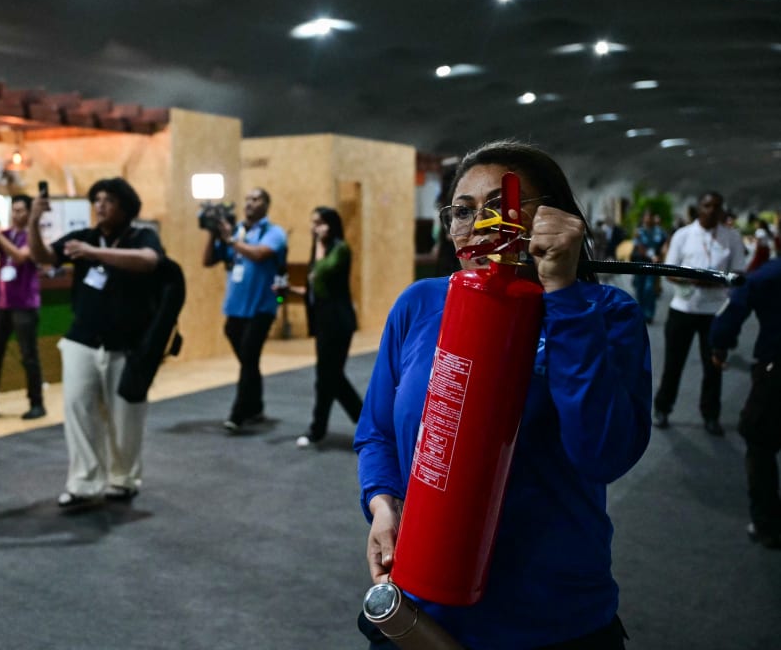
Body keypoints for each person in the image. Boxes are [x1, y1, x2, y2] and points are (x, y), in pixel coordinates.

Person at [355, 140, 651, 649]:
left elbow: (603, 453)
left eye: (501, 207)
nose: (480, 225)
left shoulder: (604, 314)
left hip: (552, 613)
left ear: (554, 218)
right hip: (423, 604)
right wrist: (383, 505)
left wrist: (563, 296)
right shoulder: (420, 303)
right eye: (463, 211)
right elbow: (377, 432)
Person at [28, 177, 162, 508]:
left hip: (127, 344)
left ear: (126, 207)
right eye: (97, 199)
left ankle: (123, 478)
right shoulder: (82, 238)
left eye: (109, 200)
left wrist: (93, 253)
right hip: (82, 340)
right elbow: (43, 257)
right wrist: (33, 220)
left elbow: (149, 260)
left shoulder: (141, 236)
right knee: (79, 409)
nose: (101, 205)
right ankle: (84, 483)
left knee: (125, 416)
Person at [652, 191, 746, 435]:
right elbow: (668, 271)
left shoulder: (732, 237)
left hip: (715, 312)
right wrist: (698, 281)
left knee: (713, 367)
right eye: (707, 206)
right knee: (673, 364)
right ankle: (662, 408)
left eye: (717, 206)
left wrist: (717, 284)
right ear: (699, 208)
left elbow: (738, 274)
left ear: (722, 210)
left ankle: (710, 415)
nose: (712, 210)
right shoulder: (683, 236)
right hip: (683, 309)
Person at [202, 188, 287, 432]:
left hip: (262, 306)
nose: (250, 203)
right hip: (235, 308)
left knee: (249, 357)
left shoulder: (273, 232)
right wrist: (212, 234)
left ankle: (238, 414)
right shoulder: (236, 230)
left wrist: (231, 240)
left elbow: (260, 255)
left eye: (256, 199)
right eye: (247, 199)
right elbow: (208, 260)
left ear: (266, 204)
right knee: (249, 361)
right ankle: (256, 406)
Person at [710, 257, 781, 549]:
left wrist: (720, 343)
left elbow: (739, 298)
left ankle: (767, 524)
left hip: (776, 370)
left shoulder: (771, 274)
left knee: (759, 439)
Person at [284, 207, 363, 447]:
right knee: (329, 377)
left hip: (338, 323)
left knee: (329, 377)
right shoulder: (319, 250)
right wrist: (289, 291)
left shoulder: (340, 249)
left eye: (320, 223)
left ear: (331, 224)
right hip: (322, 322)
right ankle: (335, 426)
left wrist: (318, 243)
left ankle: (323, 428)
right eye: (313, 223)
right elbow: (314, 289)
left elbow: (323, 271)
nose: (315, 227)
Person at [0, 195, 45, 421]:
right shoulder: (5, 234)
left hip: (25, 304)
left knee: (29, 356)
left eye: (21, 210)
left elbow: (20, 256)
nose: (17, 215)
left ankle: (36, 403)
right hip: (2, 304)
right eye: (14, 210)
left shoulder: (32, 237)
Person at [629, 210, 668, 324]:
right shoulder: (639, 232)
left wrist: (662, 254)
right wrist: (651, 256)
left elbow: (665, 243)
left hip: (653, 265)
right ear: (643, 219)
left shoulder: (659, 232)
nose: (648, 220)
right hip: (640, 264)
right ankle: (640, 313)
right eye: (646, 217)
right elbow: (639, 247)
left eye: (650, 217)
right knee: (640, 288)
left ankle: (649, 314)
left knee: (649, 289)